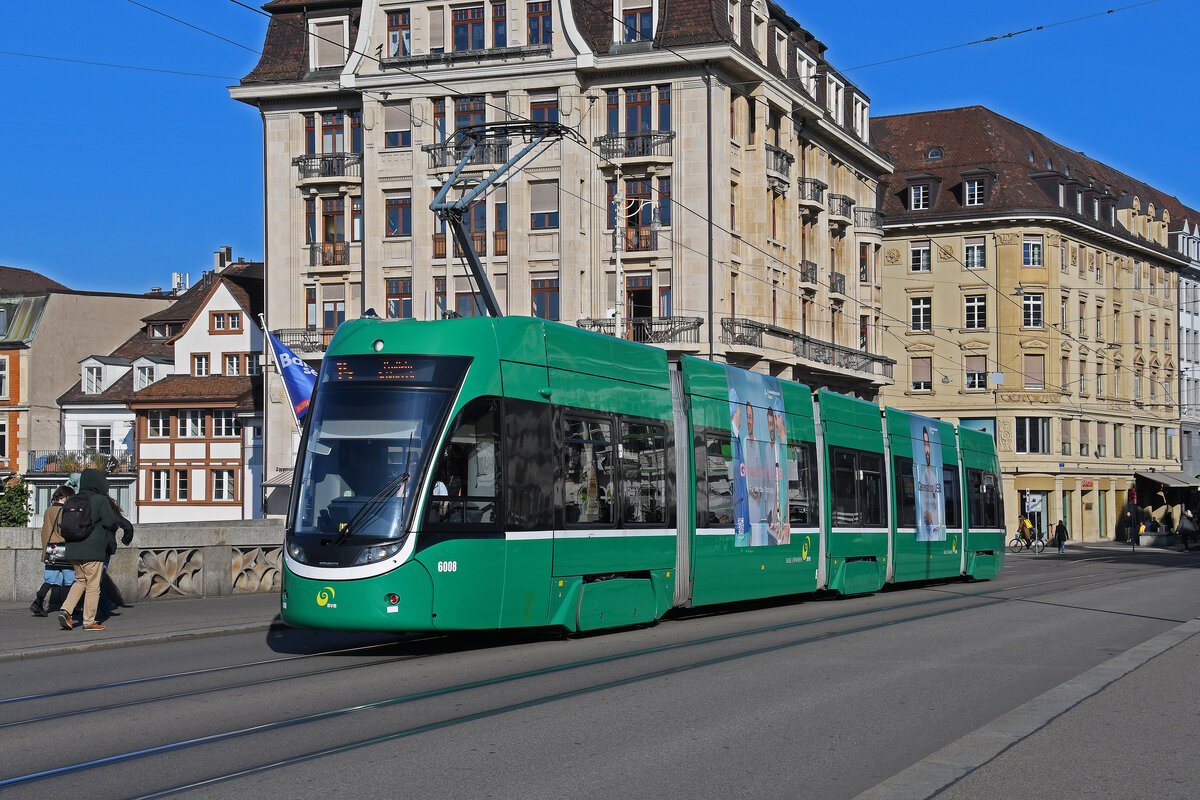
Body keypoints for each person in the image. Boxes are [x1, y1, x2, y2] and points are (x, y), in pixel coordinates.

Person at [55, 468, 118, 631]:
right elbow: (111, 522)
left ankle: (66, 610)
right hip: (93, 549)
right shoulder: (99, 499)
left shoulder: (71, 499)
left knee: (80, 580)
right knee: (92, 585)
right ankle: (89, 621)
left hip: (73, 549)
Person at [30, 486, 76, 617]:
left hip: (51, 549)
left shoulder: (48, 510)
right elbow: (65, 530)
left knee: (50, 579)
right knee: (69, 580)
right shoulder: (64, 511)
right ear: (65, 497)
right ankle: (67, 609)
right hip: (64, 548)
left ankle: (38, 602)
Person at [97, 496, 134, 622]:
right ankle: (104, 606)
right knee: (97, 579)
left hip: (92, 548)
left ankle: (102, 606)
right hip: (106, 548)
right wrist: (125, 540)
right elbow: (128, 526)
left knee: (92, 580)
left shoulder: (93, 509)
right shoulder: (110, 512)